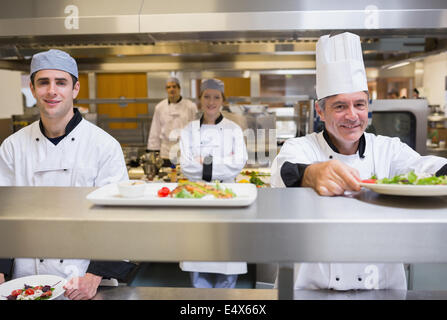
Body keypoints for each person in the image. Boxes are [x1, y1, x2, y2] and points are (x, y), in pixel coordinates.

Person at [271, 32, 447, 291]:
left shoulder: (388, 149)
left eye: (359, 105)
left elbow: (428, 169)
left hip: (382, 289)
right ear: (320, 111)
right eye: (340, 106)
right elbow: (285, 171)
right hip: (312, 289)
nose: (352, 116)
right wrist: (313, 174)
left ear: (368, 107)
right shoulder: (300, 147)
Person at [0, 49, 136, 299]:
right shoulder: (12, 147)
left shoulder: (103, 146)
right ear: (32, 89)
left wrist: (94, 276)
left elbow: (118, 219)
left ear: (75, 89)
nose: (52, 91)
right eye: (43, 82)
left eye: (60, 82)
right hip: (25, 282)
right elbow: (3, 215)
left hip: (84, 279)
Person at [179, 78, 248, 288]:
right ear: (200, 100)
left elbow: (238, 164)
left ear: (223, 100)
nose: (211, 101)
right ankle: (200, 295)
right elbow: (185, 165)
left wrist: (205, 163)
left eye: (216, 97)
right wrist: (220, 164)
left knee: (227, 254)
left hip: (228, 197)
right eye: (206, 96)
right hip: (197, 197)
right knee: (198, 251)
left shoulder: (234, 129)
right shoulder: (188, 130)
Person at [147, 77, 198, 167]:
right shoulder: (159, 107)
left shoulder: (190, 106)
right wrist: (153, 150)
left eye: (174, 86)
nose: (171, 89)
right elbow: (155, 129)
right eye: (168, 87)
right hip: (166, 152)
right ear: (166, 90)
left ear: (179, 88)